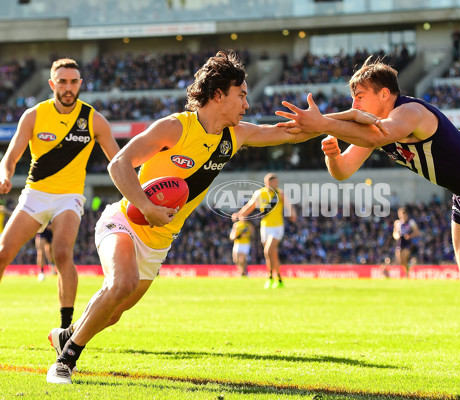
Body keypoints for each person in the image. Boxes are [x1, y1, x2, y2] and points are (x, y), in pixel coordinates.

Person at [276, 56, 460, 371]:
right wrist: (333, 154)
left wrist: (324, 122)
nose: (354, 102)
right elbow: (343, 172)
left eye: (360, 95)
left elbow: (377, 136)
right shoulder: (374, 127)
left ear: (384, 94)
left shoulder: (408, 112)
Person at [46, 50, 318, 384]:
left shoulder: (236, 135)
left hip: (160, 240)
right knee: (121, 283)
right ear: (219, 95)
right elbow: (118, 164)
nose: (247, 104)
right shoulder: (175, 128)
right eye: (242, 95)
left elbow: (291, 133)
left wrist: (332, 123)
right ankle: (65, 360)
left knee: (116, 311)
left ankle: (67, 334)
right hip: (125, 221)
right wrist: (146, 206)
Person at [0, 58, 120, 329]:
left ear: (80, 84)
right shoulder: (34, 115)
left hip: (69, 197)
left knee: (62, 253)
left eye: (73, 82)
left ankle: (66, 329)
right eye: (63, 82)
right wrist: (5, 175)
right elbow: (10, 157)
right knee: (2, 253)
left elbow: (119, 161)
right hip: (35, 195)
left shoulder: (93, 119)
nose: (68, 87)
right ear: (52, 83)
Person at [232, 173, 296, 289]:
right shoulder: (260, 193)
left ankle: (270, 277)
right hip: (265, 227)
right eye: (274, 182)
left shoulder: (279, 193)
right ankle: (279, 278)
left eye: (277, 182)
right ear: (268, 183)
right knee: (272, 254)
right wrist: (239, 214)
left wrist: (292, 213)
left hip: (277, 227)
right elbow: (250, 206)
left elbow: (288, 205)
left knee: (268, 250)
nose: (276, 184)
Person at [392, 207, 420, 274]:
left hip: (408, 242)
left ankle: (407, 272)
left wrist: (410, 236)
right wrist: (397, 236)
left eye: (403, 214)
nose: (402, 215)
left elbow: (417, 232)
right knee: (400, 260)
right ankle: (407, 270)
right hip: (400, 241)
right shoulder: (397, 223)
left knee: (404, 257)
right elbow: (394, 233)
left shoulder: (411, 222)